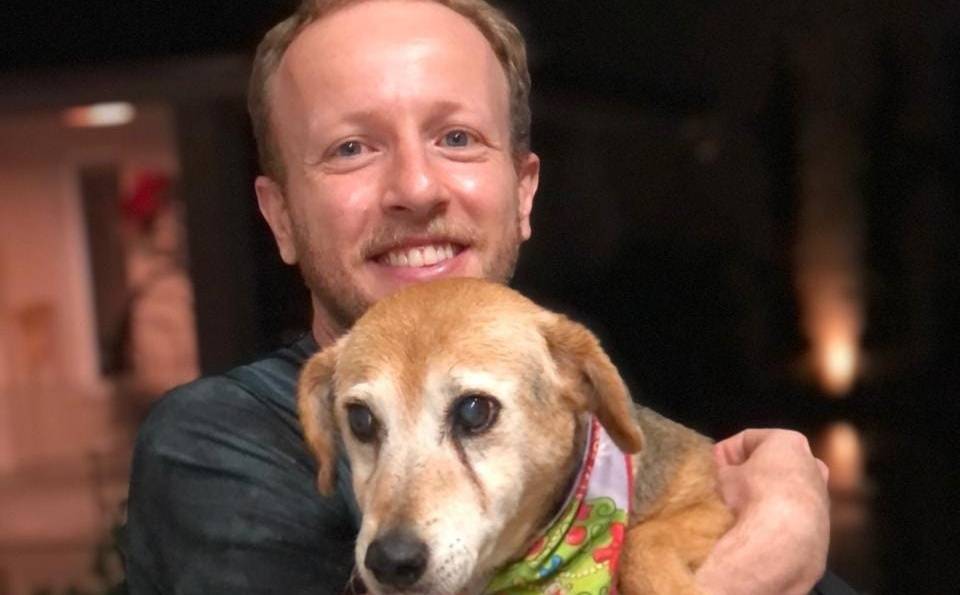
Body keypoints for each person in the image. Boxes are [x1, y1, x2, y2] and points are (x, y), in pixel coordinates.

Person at [124, 1, 854, 593]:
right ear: (281, 216)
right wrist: (767, 545)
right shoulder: (217, 446)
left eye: (457, 137)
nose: (416, 188)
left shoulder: (589, 431)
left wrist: (772, 497)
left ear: (524, 191)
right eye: (351, 147)